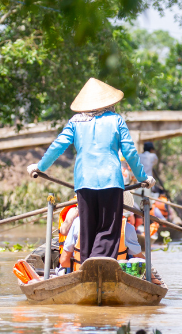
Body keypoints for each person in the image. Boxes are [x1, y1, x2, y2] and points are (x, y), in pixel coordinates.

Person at [27, 78, 154, 266]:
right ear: (108, 102)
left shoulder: (75, 122)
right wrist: (143, 178)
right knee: (108, 230)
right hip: (111, 182)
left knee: (87, 229)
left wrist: (40, 167)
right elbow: (129, 152)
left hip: (84, 182)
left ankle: (87, 265)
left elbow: (57, 146)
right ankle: (99, 265)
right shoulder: (116, 120)